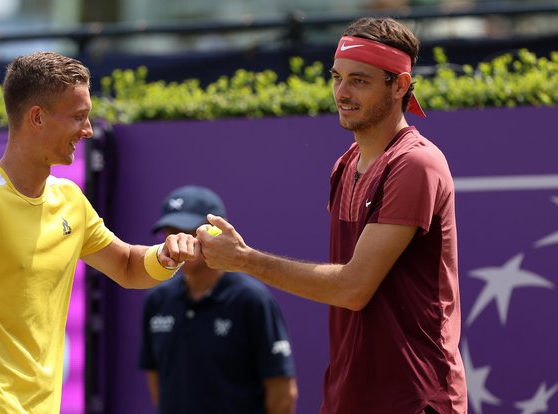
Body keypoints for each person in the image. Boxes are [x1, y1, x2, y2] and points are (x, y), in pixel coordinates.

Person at [0, 52, 199, 414]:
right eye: (79, 116)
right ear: (37, 118)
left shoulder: (70, 200)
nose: (88, 129)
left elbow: (126, 265)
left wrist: (165, 255)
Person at [197, 17, 467, 414]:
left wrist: (243, 259)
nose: (342, 92)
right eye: (337, 78)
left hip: (415, 398)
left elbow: (353, 289)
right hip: (349, 396)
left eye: (360, 80)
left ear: (400, 86)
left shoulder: (416, 164)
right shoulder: (345, 165)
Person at [139, 185, 297, 414]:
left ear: (217, 233)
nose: (181, 241)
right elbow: (155, 376)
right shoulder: (157, 299)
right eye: (172, 231)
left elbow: (282, 393)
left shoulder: (252, 300)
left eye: (190, 231)